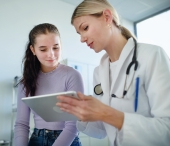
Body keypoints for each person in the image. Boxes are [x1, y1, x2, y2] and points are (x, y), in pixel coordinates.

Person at [56, 0, 170, 146]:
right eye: (79, 33)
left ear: (107, 17)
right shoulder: (99, 72)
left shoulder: (152, 55)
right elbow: (102, 131)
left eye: (85, 28)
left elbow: (167, 130)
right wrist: (80, 113)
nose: (82, 39)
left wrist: (106, 113)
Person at [14, 23, 84, 146]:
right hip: (37, 140)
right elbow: (21, 124)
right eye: (43, 49)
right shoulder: (26, 82)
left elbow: (73, 125)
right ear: (33, 50)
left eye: (55, 47)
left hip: (67, 140)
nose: (51, 54)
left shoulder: (72, 75)